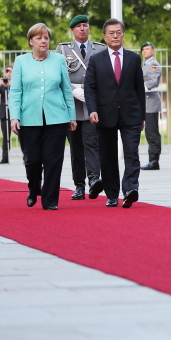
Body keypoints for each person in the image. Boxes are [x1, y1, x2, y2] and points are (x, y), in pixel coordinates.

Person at [8, 23, 77, 210]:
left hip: (57, 118)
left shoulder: (58, 60)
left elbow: (66, 89)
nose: (43, 41)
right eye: (39, 38)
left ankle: (50, 201)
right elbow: (15, 92)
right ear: (31, 41)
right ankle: (33, 187)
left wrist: (71, 115)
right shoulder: (21, 61)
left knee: (53, 160)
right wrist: (15, 116)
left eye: (46, 37)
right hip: (29, 118)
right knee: (32, 160)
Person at [84, 18, 146, 208]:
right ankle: (112, 194)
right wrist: (92, 110)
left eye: (118, 32)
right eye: (111, 33)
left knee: (131, 154)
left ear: (123, 35)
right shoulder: (96, 60)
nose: (115, 36)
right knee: (108, 156)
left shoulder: (134, 58)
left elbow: (139, 89)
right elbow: (90, 87)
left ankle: (130, 190)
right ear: (104, 36)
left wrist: (142, 116)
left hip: (131, 114)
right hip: (104, 114)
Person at [55, 15, 106, 200]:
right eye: (78, 26)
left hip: (92, 104)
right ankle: (78, 185)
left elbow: (103, 75)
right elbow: (59, 75)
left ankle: (94, 179)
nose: (82, 29)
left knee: (91, 143)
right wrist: (73, 91)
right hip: (72, 105)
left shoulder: (99, 48)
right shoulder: (62, 49)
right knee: (76, 147)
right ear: (72, 30)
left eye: (85, 25)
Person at [139, 42, 163, 170]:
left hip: (151, 100)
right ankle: (152, 159)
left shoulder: (153, 64)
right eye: (143, 49)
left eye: (147, 49)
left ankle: (154, 160)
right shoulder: (146, 65)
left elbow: (152, 82)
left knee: (152, 131)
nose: (145, 51)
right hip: (145, 101)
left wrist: (138, 88)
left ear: (153, 51)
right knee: (149, 131)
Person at [0, 65, 13, 164]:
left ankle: (26, 157)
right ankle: (5, 158)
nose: (8, 73)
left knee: (22, 136)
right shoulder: (2, 84)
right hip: (4, 112)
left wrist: (10, 84)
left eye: (10, 71)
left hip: (14, 112)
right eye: (7, 71)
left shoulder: (16, 82)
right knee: (6, 136)